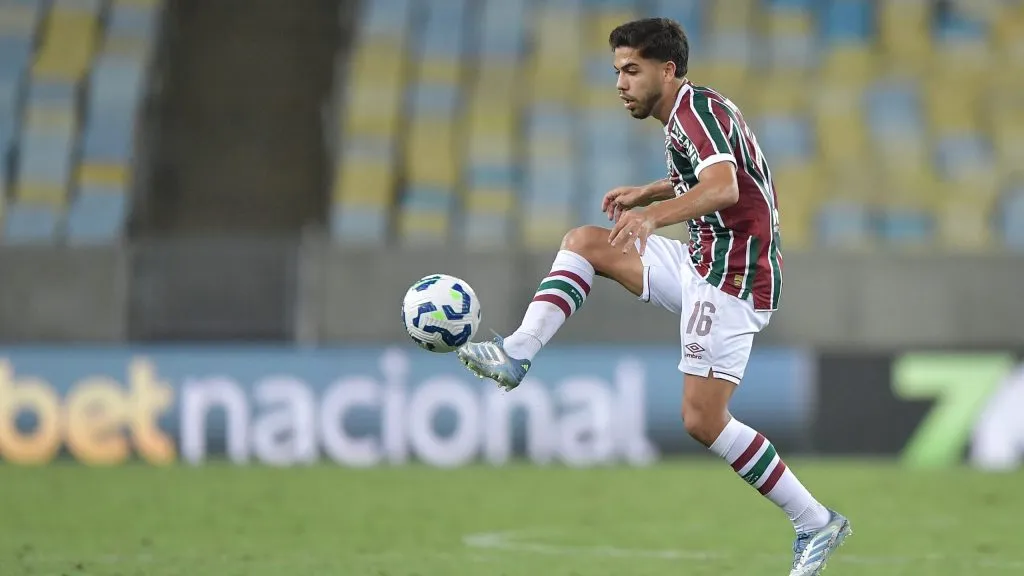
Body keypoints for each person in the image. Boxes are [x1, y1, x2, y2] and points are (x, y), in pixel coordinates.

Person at [455, 17, 851, 576]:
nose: (620, 83)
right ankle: (517, 351)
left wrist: (653, 214)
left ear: (666, 71)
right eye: (617, 71)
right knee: (586, 243)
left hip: (732, 277)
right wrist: (651, 190)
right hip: (702, 259)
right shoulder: (692, 112)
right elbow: (717, 173)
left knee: (702, 419)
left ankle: (815, 521)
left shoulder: (696, 114)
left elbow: (725, 187)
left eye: (631, 70)